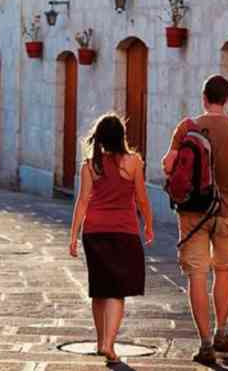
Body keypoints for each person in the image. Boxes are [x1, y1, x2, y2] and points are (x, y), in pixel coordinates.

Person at [162, 74, 228, 365]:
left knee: (197, 275)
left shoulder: (188, 127)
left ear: (204, 97)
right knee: (224, 270)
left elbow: (167, 165)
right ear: (226, 99)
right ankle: (221, 330)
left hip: (192, 213)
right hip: (226, 212)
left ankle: (205, 344)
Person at [68, 113, 154, 364]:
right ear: (121, 137)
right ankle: (109, 344)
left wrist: (73, 237)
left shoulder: (89, 166)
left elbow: (82, 202)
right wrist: (148, 224)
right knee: (117, 291)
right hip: (124, 232)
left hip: (94, 233)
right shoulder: (134, 162)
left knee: (99, 289)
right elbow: (141, 198)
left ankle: (99, 342)